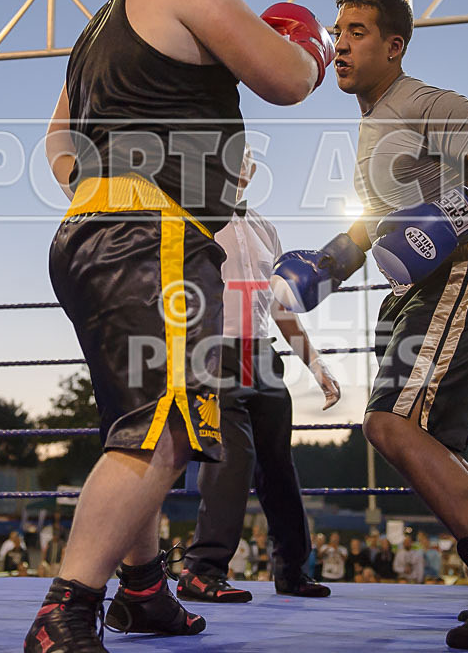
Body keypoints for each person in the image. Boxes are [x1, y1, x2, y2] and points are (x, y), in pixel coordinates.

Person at [24, 0, 333, 653]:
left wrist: (105, 185)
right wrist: (310, 47)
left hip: (88, 236)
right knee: (163, 426)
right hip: (150, 236)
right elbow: (288, 82)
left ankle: (142, 591)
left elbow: (55, 141)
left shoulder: (95, 28)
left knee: (136, 423)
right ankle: (66, 611)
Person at [271, 0, 468, 649]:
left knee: (389, 424)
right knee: (439, 450)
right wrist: (330, 263)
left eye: (357, 31)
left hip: (454, 277)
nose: (339, 44)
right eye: (336, 31)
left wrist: (448, 217)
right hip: (420, 290)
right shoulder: (375, 122)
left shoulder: (422, 102)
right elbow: (384, 222)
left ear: (393, 45)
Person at [178, 145, 336, 602]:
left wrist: (316, 363)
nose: (240, 165)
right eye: (232, 155)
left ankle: (293, 570)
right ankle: (201, 570)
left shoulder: (266, 227)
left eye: (247, 157)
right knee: (231, 459)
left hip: (263, 356)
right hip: (211, 354)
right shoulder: (192, 217)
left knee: (278, 466)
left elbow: (282, 307)